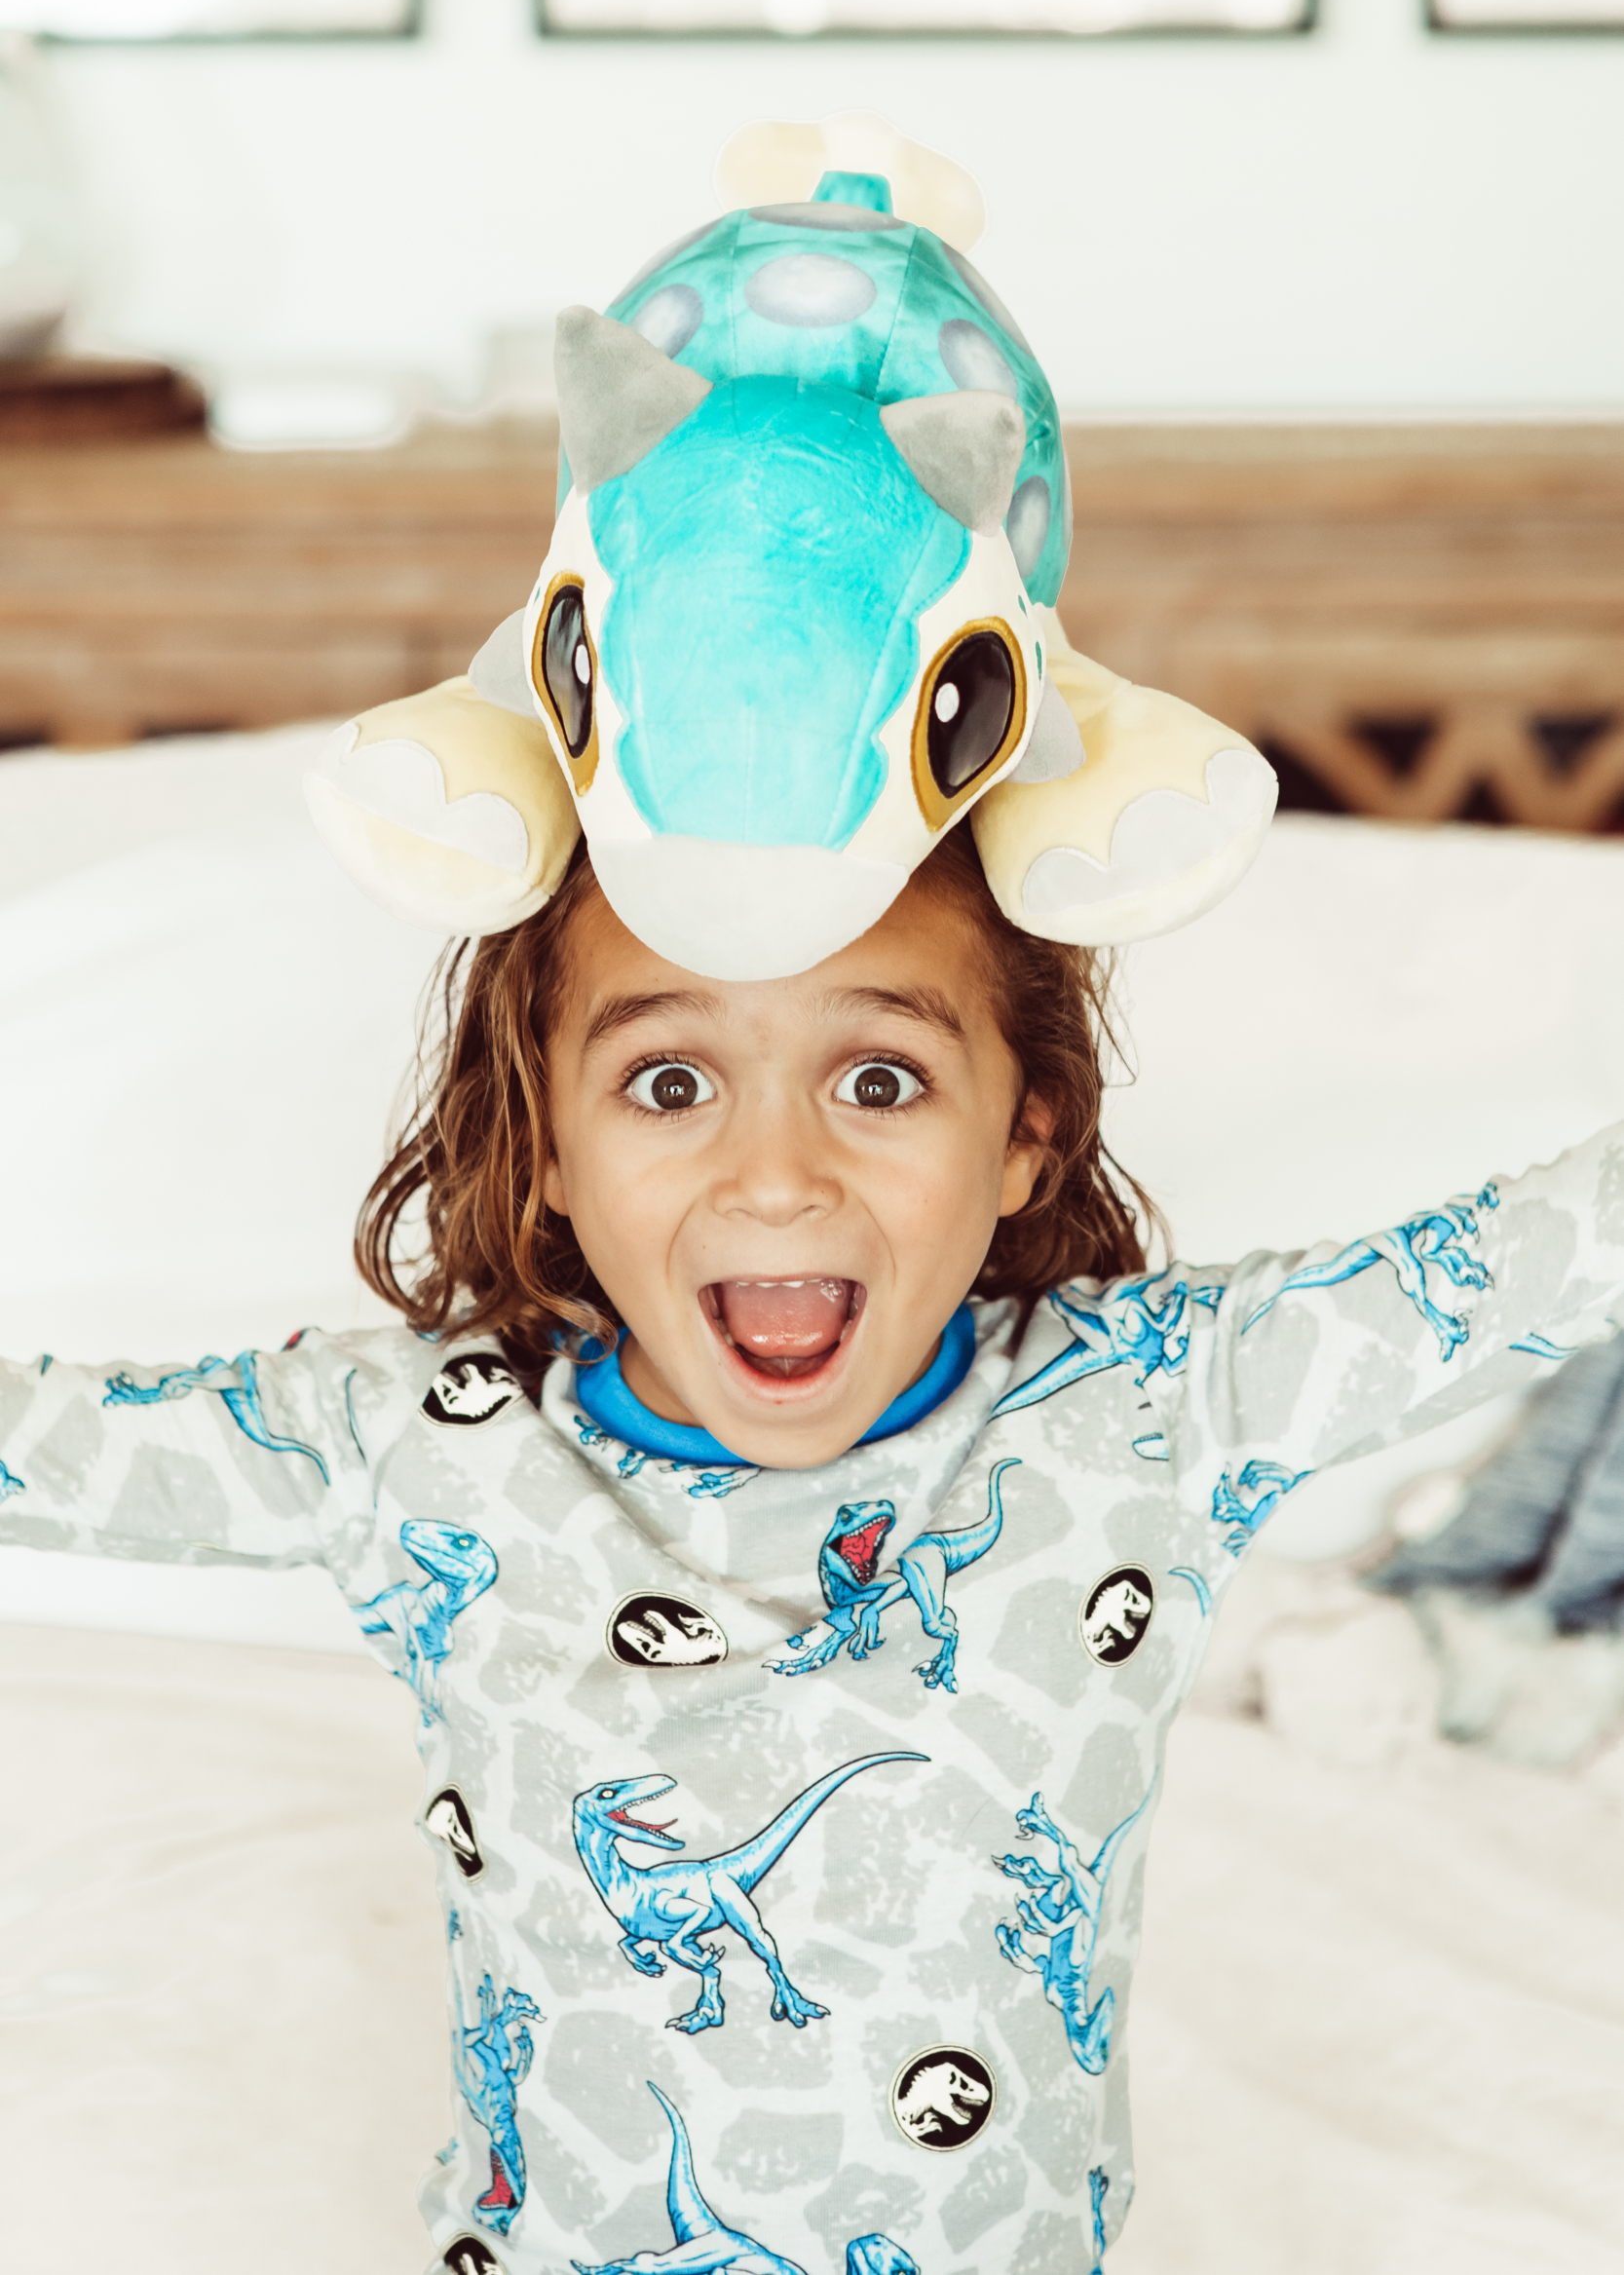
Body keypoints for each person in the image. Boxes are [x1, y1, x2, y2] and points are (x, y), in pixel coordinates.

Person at [4, 132, 1620, 2269]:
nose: (778, 1166)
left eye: (881, 1073)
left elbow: (1542, 1251)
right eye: (669, 1078)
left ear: (1029, 1123)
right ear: (552, 1142)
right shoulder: (417, 1450)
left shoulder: (1150, 1410)